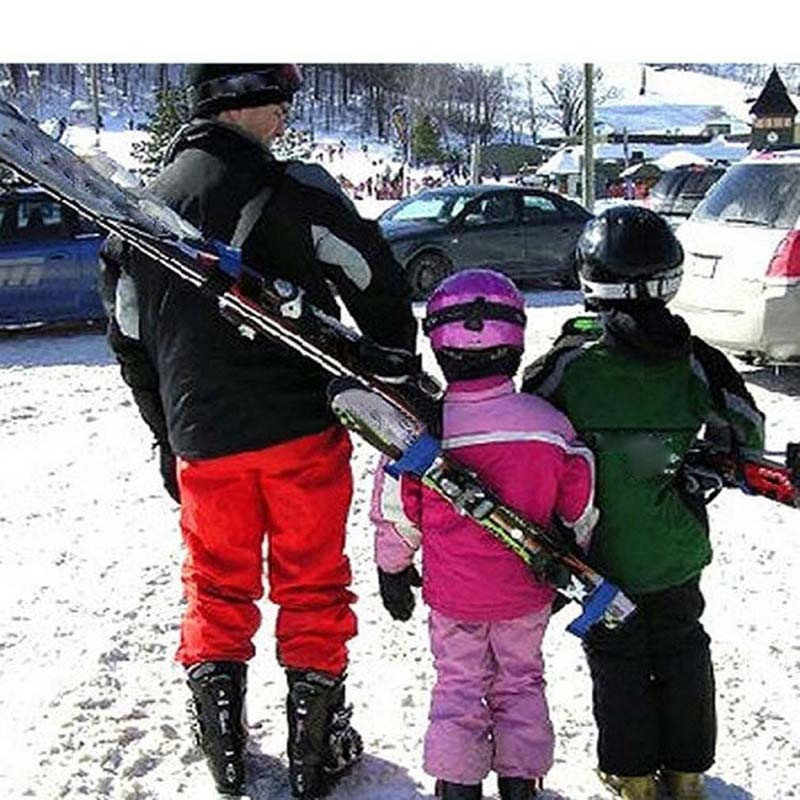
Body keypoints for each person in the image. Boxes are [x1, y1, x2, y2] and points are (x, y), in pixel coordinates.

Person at [99, 63, 417, 799]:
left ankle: (224, 746)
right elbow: (375, 279)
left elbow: (126, 337)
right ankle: (318, 744)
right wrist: (391, 374)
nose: (285, 119)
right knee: (311, 581)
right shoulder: (294, 192)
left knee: (216, 585)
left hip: (201, 440)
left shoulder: (140, 212)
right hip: (301, 430)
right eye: (282, 104)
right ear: (256, 102)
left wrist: (167, 433)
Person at [521, 207, 765, 800]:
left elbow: (530, 433)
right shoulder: (697, 360)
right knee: (683, 646)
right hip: (675, 546)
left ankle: (631, 776)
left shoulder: (566, 365)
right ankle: (685, 775)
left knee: (618, 657)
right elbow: (747, 434)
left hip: (596, 552)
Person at [370, 270, 598, 800]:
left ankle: (458, 787)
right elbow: (580, 506)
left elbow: (396, 512)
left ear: (439, 348)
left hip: (454, 598)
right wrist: (573, 561)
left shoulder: (420, 430)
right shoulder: (550, 427)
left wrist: (393, 569)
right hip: (526, 592)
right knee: (521, 682)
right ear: (516, 346)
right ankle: (520, 785)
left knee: (458, 687)